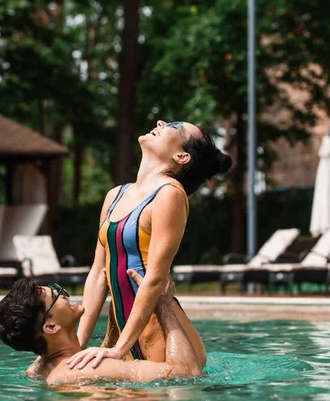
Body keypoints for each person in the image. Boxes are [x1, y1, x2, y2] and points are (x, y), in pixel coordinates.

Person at [70, 120, 231, 371]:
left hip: (161, 339)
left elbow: (155, 278)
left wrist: (119, 349)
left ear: (182, 156)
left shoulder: (169, 194)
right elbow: (98, 274)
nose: (161, 122)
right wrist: (75, 346)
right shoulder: (115, 195)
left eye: (175, 126)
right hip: (123, 334)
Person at [0, 271, 202, 385]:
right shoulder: (88, 369)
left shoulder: (38, 370)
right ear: (50, 326)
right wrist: (163, 304)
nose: (65, 294)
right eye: (57, 294)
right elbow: (186, 373)